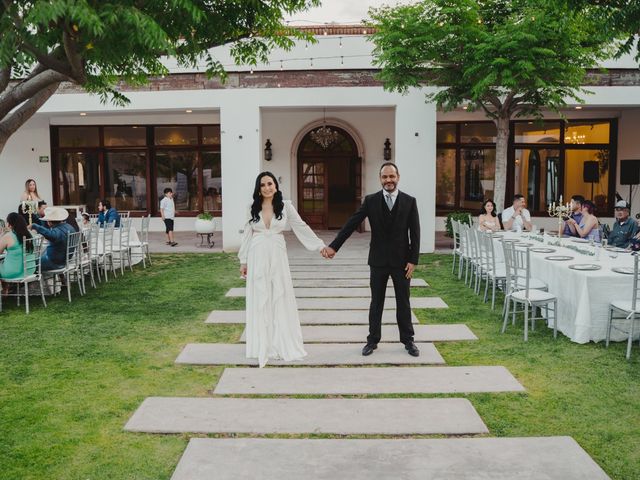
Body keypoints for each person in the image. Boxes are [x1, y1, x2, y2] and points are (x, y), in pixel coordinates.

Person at [321, 162, 421, 357]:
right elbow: (351, 224)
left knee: (404, 302)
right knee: (376, 302)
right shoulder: (371, 201)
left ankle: (408, 340)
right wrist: (334, 246)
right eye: (385, 177)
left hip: (402, 263)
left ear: (398, 177)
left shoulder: (410, 201)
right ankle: (372, 340)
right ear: (380, 179)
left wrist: (413, 259)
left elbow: (415, 233)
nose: (388, 180)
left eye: (392, 176)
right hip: (378, 261)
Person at [238, 172, 325, 368]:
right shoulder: (251, 208)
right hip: (257, 253)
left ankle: (281, 340)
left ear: (276, 185)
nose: (267, 187)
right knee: (261, 295)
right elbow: (247, 234)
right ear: (258, 189)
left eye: (270, 183)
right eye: (263, 185)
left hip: (277, 253)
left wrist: (319, 246)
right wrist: (243, 261)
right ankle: (262, 342)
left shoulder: (286, 206)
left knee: (279, 294)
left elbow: (300, 226)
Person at [29, 207, 75, 271]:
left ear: (49, 222)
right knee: (39, 258)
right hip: (64, 260)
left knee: (29, 264)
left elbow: (51, 235)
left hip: (55, 262)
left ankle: (37, 280)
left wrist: (35, 226)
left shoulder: (58, 231)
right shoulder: (69, 227)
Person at [0, 213, 35, 294]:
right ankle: (5, 290)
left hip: (14, 272)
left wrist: (2, 235)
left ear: (9, 224)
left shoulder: (8, 236)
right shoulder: (29, 234)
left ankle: (4, 290)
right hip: (29, 270)